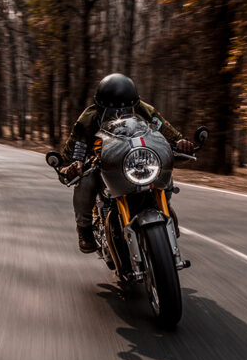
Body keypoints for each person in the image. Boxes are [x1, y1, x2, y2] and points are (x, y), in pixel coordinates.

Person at [62, 73, 195, 253]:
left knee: (162, 167)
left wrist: (181, 143)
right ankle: (84, 228)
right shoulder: (88, 119)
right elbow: (73, 151)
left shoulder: (144, 109)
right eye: (111, 111)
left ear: (134, 104)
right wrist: (72, 165)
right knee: (85, 180)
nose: (119, 114)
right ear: (99, 107)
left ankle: (166, 208)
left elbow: (165, 130)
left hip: (133, 158)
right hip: (104, 162)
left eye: (126, 110)